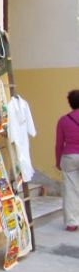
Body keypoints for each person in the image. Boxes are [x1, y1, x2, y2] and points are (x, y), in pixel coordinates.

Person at [55, 90, 79, 231]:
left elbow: (59, 144)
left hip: (69, 157)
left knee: (70, 190)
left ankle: (72, 222)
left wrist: (58, 161)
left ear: (70, 103)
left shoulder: (63, 121)